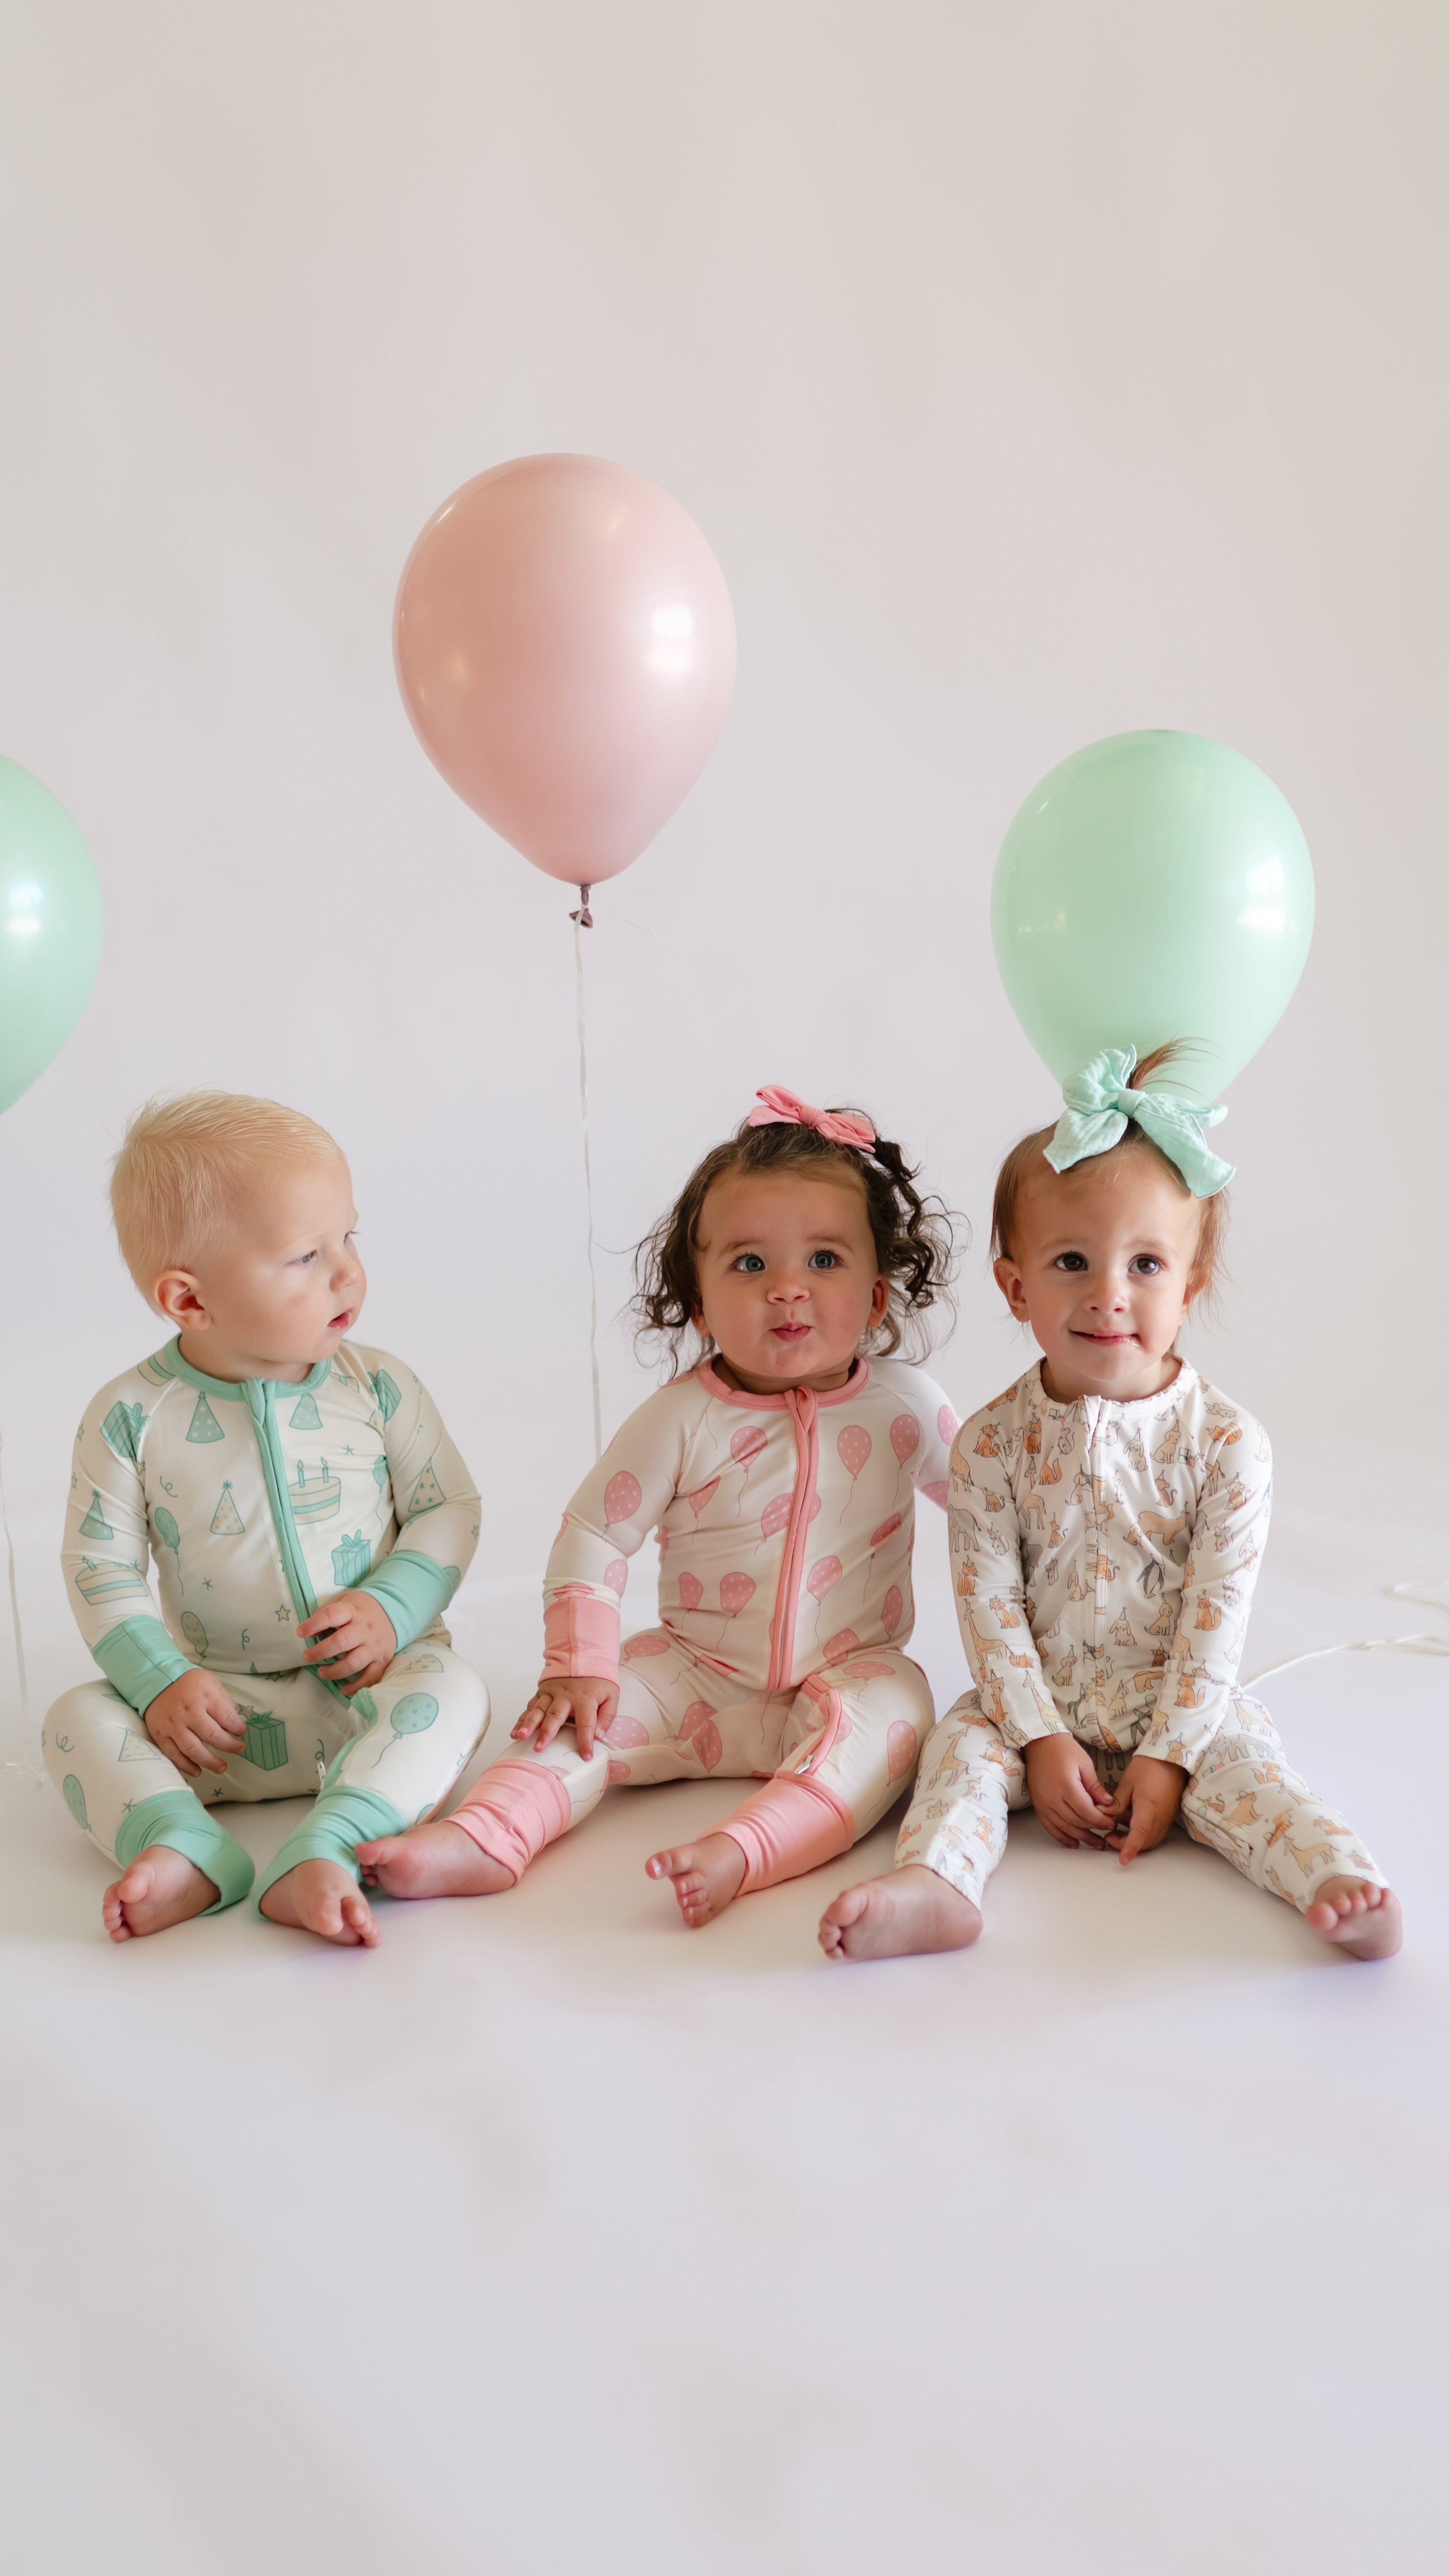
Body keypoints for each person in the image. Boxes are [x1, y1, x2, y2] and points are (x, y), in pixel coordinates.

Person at [820, 1044, 1401, 1964]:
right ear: (1016, 1285)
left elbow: (1215, 1617)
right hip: (1034, 1702)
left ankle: (1336, 1878)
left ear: (1189, 1285)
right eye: (1071, 1261)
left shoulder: (1228, 1444)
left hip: (1182, 1705)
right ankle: (937, 1884)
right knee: (958, 1752)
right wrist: (1039, 1737)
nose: (1108, 1295)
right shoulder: (990, 1443)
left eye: (1146, 1264)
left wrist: (1170, 1752)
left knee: (1254, 1770)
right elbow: (989, 1606)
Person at [358, 1087, 958, 1926]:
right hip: (693, 1672)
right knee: (575, 1720)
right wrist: (580, 1662)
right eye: (750, 1264)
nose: (789, 1288)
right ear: (700, 1305)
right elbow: (596, 1533)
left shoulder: (907, 1406)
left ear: (877, 1295)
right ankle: (484, 1835)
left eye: (825, 1259)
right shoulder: (682, 1417)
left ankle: (744, 1850)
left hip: (852, 1667)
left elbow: (987, 1512)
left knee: (900, 1718)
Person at [44, 1092, 488, 1946]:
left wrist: (391, 1609)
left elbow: (448, 1505)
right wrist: (160, 1681)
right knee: (74, 1719)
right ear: (190, 1300)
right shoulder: (131, 1414)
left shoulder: (378, 1385)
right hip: (214, 1716)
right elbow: (100, 1564)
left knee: (455, 1691)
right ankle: (181, 1845)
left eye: (349, 1237)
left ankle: (331, 1845)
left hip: (368, 1687)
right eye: (307, 1255)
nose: (348, 1272)